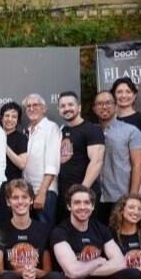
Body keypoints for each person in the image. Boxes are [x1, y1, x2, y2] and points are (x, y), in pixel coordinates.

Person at [92, 91, 141, 223]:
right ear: (94, 108)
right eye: (99, 104)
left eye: (108, 103)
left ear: (116, 106)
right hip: (94, 197)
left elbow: (137, 165)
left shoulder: (131, 131)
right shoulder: (90, 131)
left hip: (121, 196)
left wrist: (133, 196)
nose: (104, 107)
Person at [57, 91, 104, 222]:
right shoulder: (61, 131)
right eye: (63, 106)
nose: (67, 109)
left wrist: (81, 192)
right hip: (64, 194)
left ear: (79, 107)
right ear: (59, 109)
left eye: (70, 105)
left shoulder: (92, 129)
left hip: (85, 196)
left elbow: (97, 161)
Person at [22, 94, 61, 228]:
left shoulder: (51, 128)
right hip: (29, 192)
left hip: (45, 191)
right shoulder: (28, 131)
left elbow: (52, 163)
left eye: (35, 105)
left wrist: (42, 192)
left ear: (43, 109)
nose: (31, 108)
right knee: (35, 233)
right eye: (28, 106)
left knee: (46, 231)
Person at [113, 77, 141, 193]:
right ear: (113, 96)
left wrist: (139, 183)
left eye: (128, 91)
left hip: (136, 178)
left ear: (134, 96)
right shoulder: (109, 122)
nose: (123, 95)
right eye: (119, 92)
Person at [0, 102, 28, 224]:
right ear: (2, 118)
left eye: (14, 117)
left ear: (18, 120)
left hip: (12, 187)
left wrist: (3, 145)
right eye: (7, 115)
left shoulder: (21, 138)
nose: (9, 119)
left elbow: (21, 163)